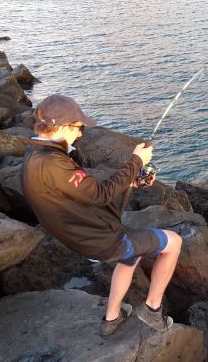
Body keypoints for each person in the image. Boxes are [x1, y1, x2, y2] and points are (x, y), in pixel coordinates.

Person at [21, 94, 182, 336]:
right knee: (174, 243)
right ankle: (152, 309)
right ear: (63, 126)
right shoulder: (54, 165)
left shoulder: (34, 156)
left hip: (76, 234)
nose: (81, 133)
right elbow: (101, 194)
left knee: (132, 256)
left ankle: (112, 318)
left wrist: (131, 183)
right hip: (98, 241)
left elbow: (80, 195)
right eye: (78, 127)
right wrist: (136, 161)